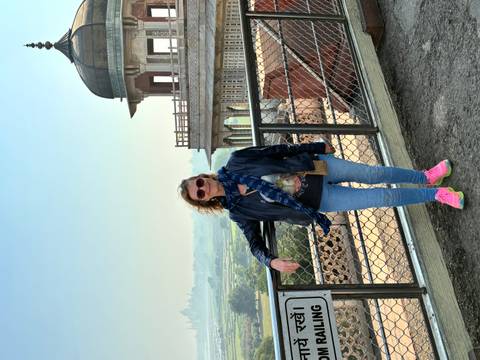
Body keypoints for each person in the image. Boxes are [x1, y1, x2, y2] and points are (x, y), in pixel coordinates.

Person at [179, 142, 464, 273]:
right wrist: (270, 261)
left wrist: (314, 145)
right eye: (200, 193)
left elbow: (276, 151)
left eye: (199, 182)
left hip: (316, 168)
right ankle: (437, 195)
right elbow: (253, 242)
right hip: (319, 202)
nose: (203, 187)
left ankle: (425, 177)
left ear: (202, 175)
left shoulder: (237, 161)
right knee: (382, 199)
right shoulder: (238, 211)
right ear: (205, 201)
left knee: (373, 174)